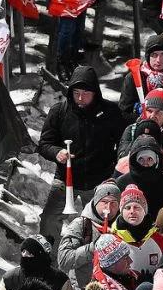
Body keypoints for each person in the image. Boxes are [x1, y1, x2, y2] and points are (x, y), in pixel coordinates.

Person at [38, 66, 125, 243]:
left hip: (99, 180)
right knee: (49, 219)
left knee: (103, 224)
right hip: (65, 178)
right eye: (76, 92)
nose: (80, 98)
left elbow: (123, 143)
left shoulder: (110, 113)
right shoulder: (59, 112)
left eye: (85, 93)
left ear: (95, 93)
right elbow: (44, 144)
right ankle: (51, 263)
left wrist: (115, 171)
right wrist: (57, 153)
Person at [58, 183, 121, 290]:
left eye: (113, 203)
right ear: (96, 202)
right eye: (104, 202)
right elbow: (63, 260)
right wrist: (92, 248)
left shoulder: (122, 227)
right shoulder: (81, 225)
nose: (108, 208)